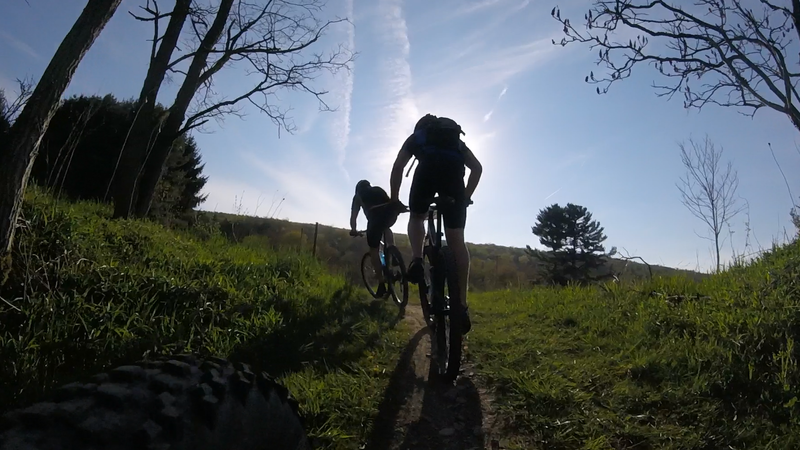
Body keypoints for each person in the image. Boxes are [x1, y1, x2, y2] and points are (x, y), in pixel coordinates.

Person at [389, 114, 482, 333]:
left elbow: (398, 166)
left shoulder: (418, 137)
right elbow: (477, 168)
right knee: (457, 239)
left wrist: (394, 198)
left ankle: (418, 261)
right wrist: (465, 197)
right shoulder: (455, 141)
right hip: (454, 180)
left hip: (426, 175)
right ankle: (461, 305)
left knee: (417, 217)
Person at [349, 179, 406, 298]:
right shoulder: (377, 189)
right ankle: (392, 251)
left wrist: (354, 230)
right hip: (390, 214)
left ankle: (381, 284)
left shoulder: (358, 196)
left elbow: (353, 216)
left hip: (374, 219)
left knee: (373, 249)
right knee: (386, 228)